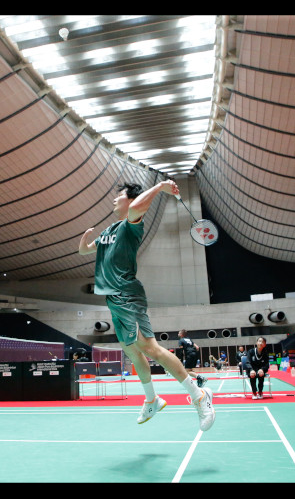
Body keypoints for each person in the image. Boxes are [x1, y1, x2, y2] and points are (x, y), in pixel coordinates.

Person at [78, 180, 215, 431]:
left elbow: (139, 207)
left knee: (148, 347)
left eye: (119, 195)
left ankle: (198, 395)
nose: (114, 199)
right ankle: (152, 399)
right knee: (131, 350)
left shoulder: (131, 226)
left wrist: (160, 186)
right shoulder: (110, 230)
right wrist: (85, 241)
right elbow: (86, 251)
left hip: (127, 293)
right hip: (113, 298)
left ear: (130, 201)